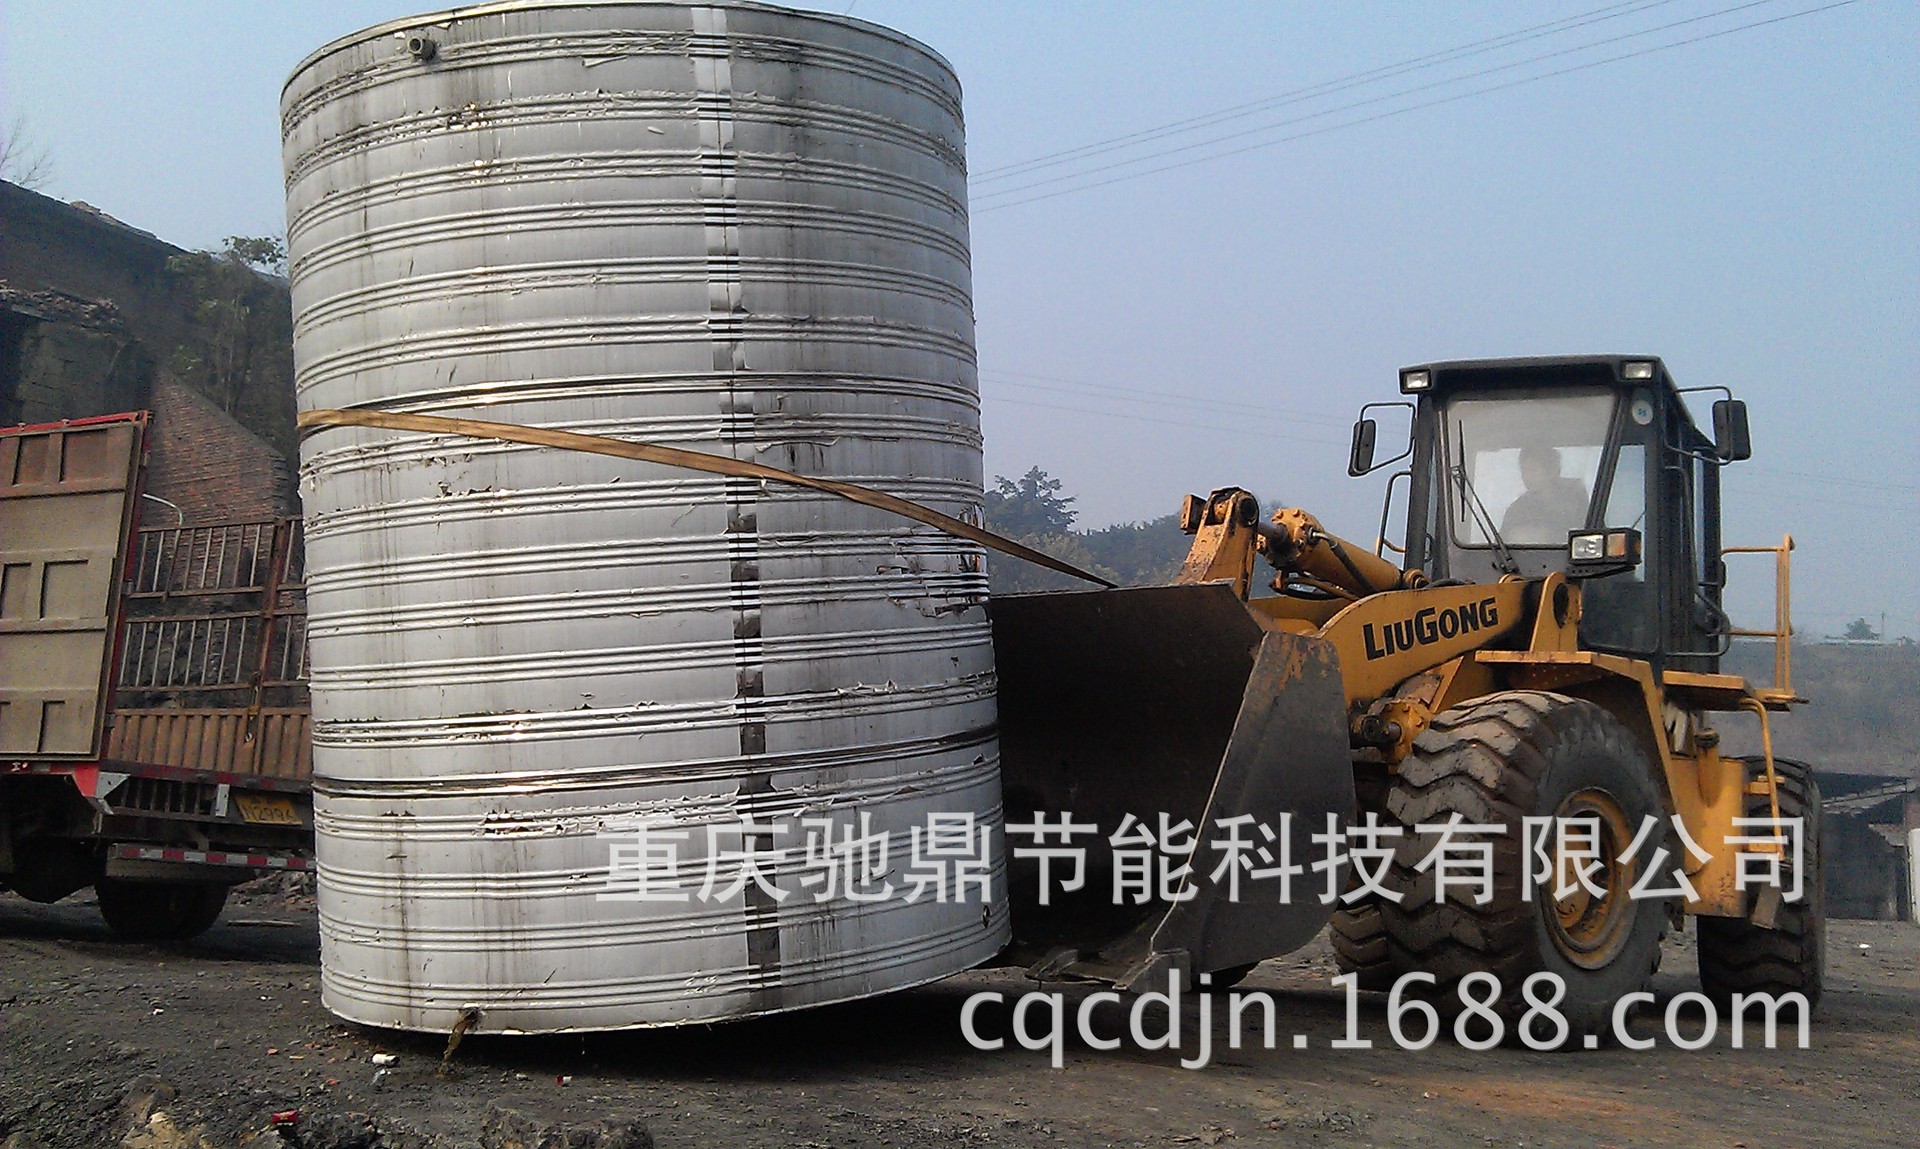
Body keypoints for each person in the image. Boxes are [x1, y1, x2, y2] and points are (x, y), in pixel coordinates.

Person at [1500, 445, 1590, 544]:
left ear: (1552, 471)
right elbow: (1501, 545)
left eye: (1532, 470)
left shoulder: (1575, 501)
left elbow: (1588, 536)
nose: (1526, 476)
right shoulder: (1516, 510)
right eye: (1524, 470)